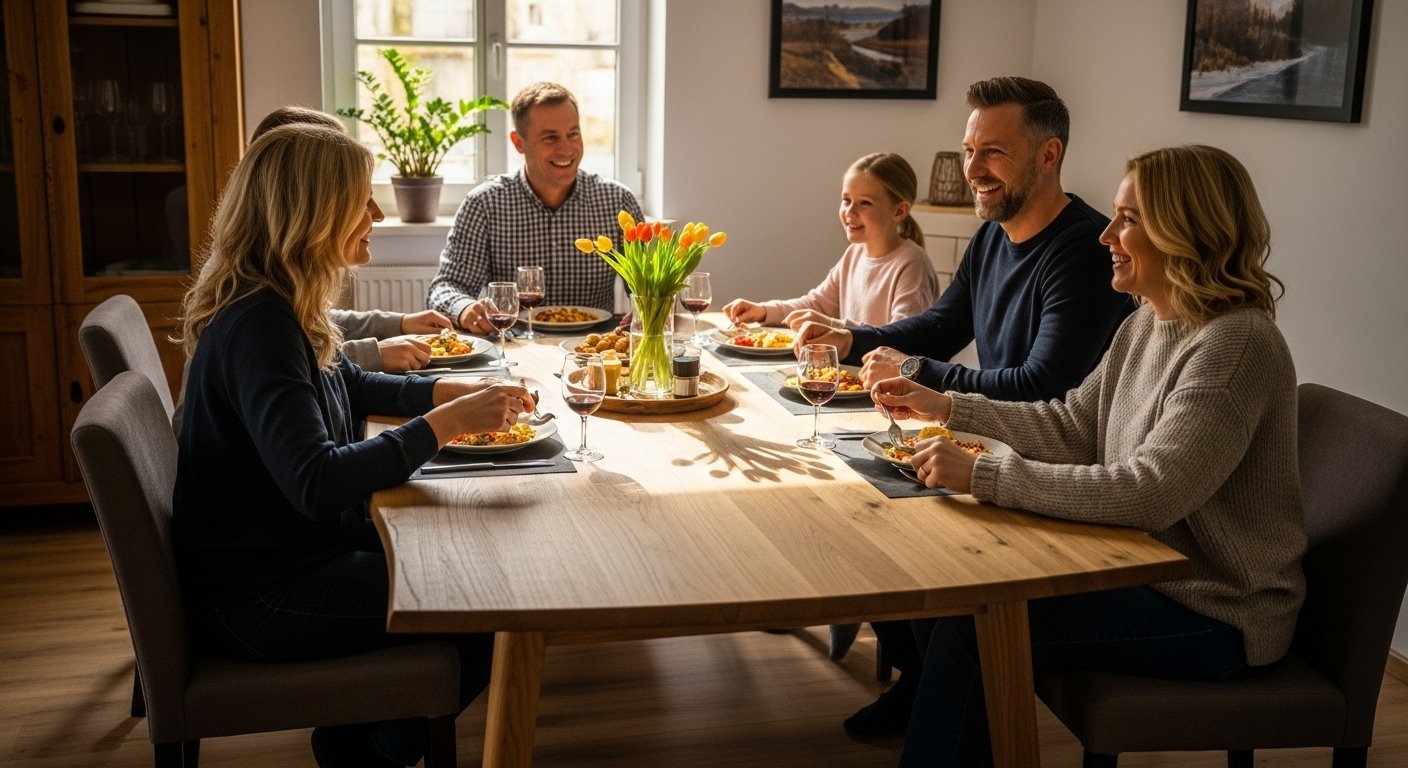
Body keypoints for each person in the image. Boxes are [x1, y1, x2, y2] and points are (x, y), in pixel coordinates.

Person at [870, 144, 1305, 766]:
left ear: (1186, 231)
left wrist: (986, 473)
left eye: (1128, 220)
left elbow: (1153, 491)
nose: (1106, 235)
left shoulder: (1235, 344)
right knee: (953, 598)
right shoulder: (1146, 323)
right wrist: (948, 407)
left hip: (1215, 609)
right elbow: (1073, 425)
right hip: (1145, 572)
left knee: (972, 629)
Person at [172, 123, 535, 767]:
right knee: (490, 604)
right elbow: (316, 482)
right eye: (360, 200)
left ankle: (350, 739)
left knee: (472, 552)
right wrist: (444, 424)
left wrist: (445, 391)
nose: (376, 214)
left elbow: (350, 383)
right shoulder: (260, 325)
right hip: (260, 595)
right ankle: (364, 754)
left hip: (288, 555)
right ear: (313, 214)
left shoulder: (281, 300)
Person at [798, 77, 1134, 738]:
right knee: (860, 504)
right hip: (992, 439)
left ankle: (935, 690)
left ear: (1048, 155)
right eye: (969, 150)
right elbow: (940, 327)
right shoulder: (992, 236)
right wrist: (851, 339)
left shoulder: (1083, 250)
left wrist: (920, 374)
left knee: (893, 522)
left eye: (993, 153)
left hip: (1047, 461)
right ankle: (924, 681)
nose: (973, 169)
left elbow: (1044, 386)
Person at [427, 82, 645, 332]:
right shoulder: (484, 204)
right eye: (550, 138)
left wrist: (647, 308)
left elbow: (649, 285)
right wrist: (465, 308)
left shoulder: (618, 202)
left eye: (573, 134)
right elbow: (445, 287)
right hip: (514, 345)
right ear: (518, 142)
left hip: (595, 347)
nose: (566, 149)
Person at [253, 106, 453, 373]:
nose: (378, 215)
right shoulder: (260, 310)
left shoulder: (274, 268)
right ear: (312, 199)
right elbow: (298, 363)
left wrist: (400, 323)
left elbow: (321, 325)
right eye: (359, 199)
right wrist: (372, 354)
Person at [722, 152, 939, 330]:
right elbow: (817, 304)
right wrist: (763, 311)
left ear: (899, 211)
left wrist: (831, 325)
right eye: (846, 200)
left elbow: (902, 336)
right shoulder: (854, 253)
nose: (850, 212)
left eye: (865, 203)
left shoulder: (913, 264)